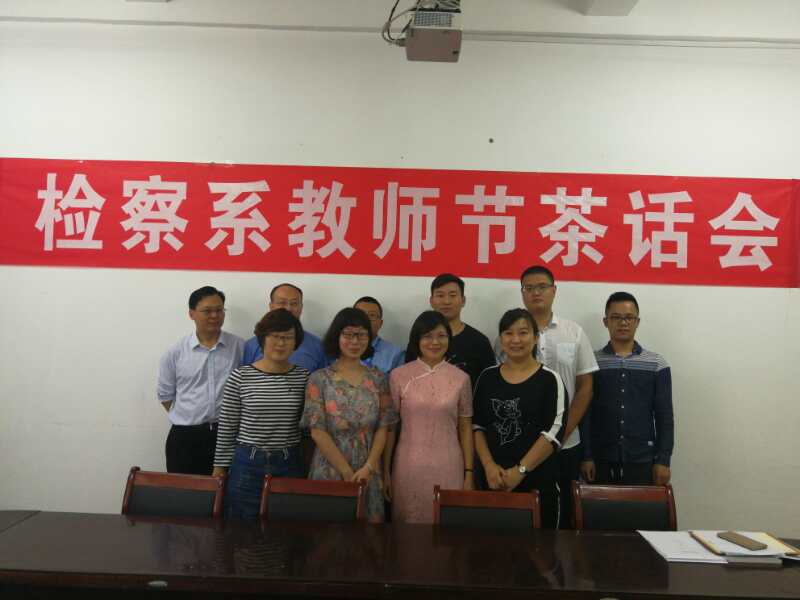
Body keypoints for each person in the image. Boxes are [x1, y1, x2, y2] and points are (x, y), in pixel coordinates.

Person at [494, 266, 598, 526]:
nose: (536, 292)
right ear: (522, 293)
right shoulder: (507, 337)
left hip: (566, 444)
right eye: (529, 288)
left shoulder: (574, 332)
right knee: (520, 517)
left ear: (554, 290)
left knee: (563, 518)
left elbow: (585, 386)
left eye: (542, 286)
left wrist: (562, 431)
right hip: (518, 445)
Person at [301, 308, 398, 523]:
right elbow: (317, 432)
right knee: (329, 536)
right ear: (337, 337)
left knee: (369, 538)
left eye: (361, 335)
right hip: (330, 468)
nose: (355, 341)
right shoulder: (319, 379)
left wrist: (369, 467)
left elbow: (383, 428)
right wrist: (346, 472)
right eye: (348, 334)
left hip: (368, 470)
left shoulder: (379, 379)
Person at [212, 309, 310, 519]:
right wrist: (219, 469)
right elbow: (227, 428)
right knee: (242, 528)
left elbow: (307, 429)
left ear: (296, 342)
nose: (281, 343)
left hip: (289, 463)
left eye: (287, 337)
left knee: (286, 527)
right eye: (275, 336)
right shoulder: (240, 377)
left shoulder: (304, 378)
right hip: (247, 464)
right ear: (262, 338)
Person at [474, 309, 567, 528]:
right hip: (492, 480)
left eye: (523, 333)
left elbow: (554, 432)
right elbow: (477, 426)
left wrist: (520, 471)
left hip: (538, 483)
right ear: (501, 339)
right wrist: (488, 466)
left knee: (539, 548)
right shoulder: (487, 377)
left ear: (535, 338)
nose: (515, 340)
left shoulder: (550, 379)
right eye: (508, 333)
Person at [384, 311, 474, 524]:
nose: (435, 342)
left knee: (446, 528)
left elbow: (465, 427)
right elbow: (390, 427)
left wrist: (469, 473)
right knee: (408, 528)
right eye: (427, 336)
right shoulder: (398, 376)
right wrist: (385, 471)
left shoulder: (461, 379)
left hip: (449, 465)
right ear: (416, 339)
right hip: (408, 465)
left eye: (441, 336)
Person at [580, 292, 674, 486]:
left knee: (638, 507)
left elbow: (664, 416)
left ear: (637, 322)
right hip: (600, 459)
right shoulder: (592, 362)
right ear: (605, 321)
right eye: (616, 317)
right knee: (597, 507)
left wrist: (663, 460)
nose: (623, 323)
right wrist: (586, 455)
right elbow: (585, 413)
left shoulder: (656, 363)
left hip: (643, 459)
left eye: (629, 317)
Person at [157, 286, 244, 475]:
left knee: (226, 490)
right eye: (207, 311)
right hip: (185, 438)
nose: (214, 315)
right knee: (185, 490)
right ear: (191, 314)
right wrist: (190, 416)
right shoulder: (176, 352)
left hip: (228, 435)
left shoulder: (240, 347)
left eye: (219, 310)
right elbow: (165, 395)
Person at [429, 273, 496, 390]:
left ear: (463, 300)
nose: (446, 301)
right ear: (431, 301)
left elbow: (490, 385)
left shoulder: (479, 342)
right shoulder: (421, 340)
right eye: (440, 295)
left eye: (452, 295)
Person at [241, 283, 328, 372]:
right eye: (282, 303)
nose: (288, 308)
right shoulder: (251, 346)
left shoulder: (317, 346)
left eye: (294, 303)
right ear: (271, 306)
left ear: (301, 307)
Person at [353, 296, 405, 374]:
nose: (365, 319)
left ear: (380, 323)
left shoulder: (396, 354)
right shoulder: (340, 348)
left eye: (372, 315)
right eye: (360, 314)